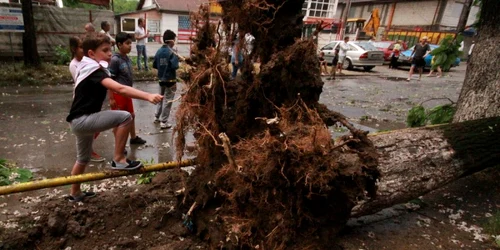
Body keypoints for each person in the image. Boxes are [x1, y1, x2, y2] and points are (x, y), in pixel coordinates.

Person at [66, 33, 162, 202]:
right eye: (105, 50)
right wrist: (147, 96)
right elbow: (120, 89)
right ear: (91, 54)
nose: (110, 53)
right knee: (125, 117)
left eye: (110, 49)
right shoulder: (94, 70)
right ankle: (118, 159)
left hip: (78, 121)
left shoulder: (91, 69)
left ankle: (75, 193)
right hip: (84, 120)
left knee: (82, 159)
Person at [69, 36, 105, 162]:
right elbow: (82, 82)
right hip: (83, 101)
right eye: (80, 47)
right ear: (74, 49)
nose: (82, 50)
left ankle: (87, 151)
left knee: (94, 129)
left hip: (90, 99)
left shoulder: (89, 63)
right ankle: (88, 151)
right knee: (90, 129)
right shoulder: (75, 65)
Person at [108, 32, 147, 145]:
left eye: (131, 43)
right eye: (127, 43)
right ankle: (119, 145)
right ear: (119, 45)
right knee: (118, 120)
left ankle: (133, 138)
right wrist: (111, 98)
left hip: (127, 94)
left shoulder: (126, 59)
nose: (130, 46)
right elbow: (110, 80)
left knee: (131, 116)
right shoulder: (115, 60)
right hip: (118, 94)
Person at [153, 30, 179, 129]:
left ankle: (156, 117)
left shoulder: (159, 51)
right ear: (171, 40)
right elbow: (175, 66)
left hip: (161, 79)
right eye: (174, 39)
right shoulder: (172, 52)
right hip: (170, 80)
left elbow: (155, 64)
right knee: (168, 100)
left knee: (160, 99)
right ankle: (164, 122)